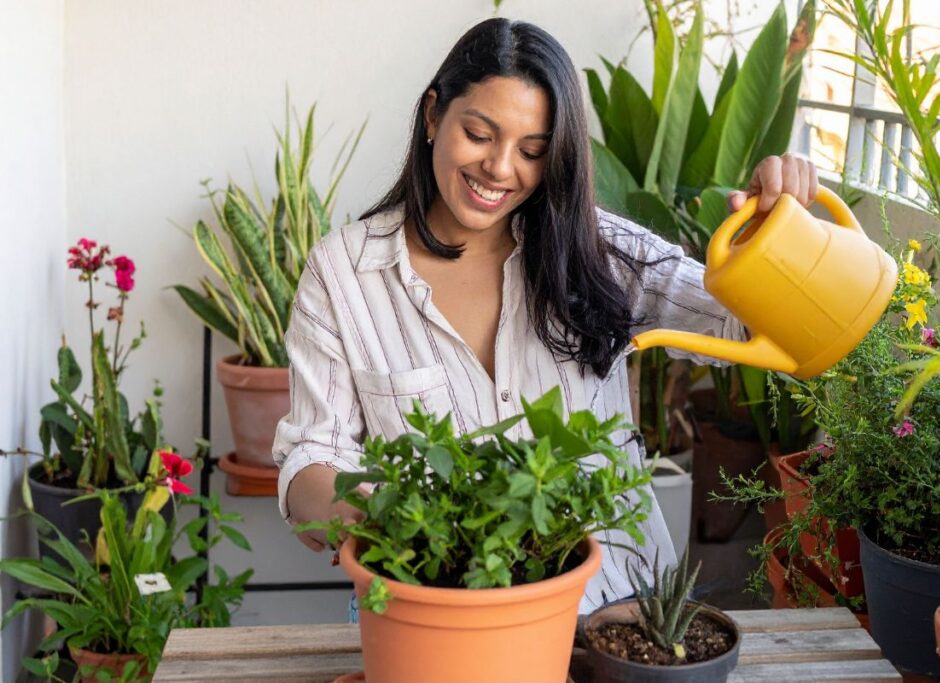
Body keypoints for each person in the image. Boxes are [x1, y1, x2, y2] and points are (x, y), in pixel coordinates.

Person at [272, 17, 818, 613]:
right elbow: (312, 456)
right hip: (433, 612)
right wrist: (375, 518)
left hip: (619, 610)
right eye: (479, 134)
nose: (501, 169)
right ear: (433, 116)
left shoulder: (600, 253)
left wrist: (777, 237)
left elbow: (757, 324)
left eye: (532, 150)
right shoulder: (345, 273)